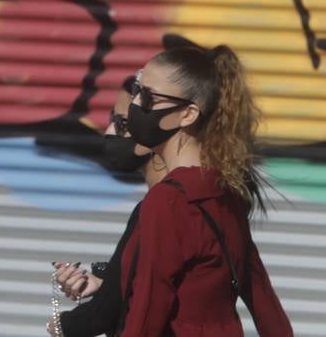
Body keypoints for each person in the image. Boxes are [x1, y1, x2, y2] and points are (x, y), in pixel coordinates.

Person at [114, 44, 293, 337]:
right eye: (137, 89)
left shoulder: (168, 200)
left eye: (148, 97)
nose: (135, 104)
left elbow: (149, 307)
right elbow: (263, 297)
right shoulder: (225, 188)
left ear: (187, 114)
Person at [49, 74, 165, 337]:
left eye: (122, 123)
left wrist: (57, 325)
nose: (110, 132)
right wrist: (104, 283)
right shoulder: (167, 200)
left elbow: (99, 317)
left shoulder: (161, 208)